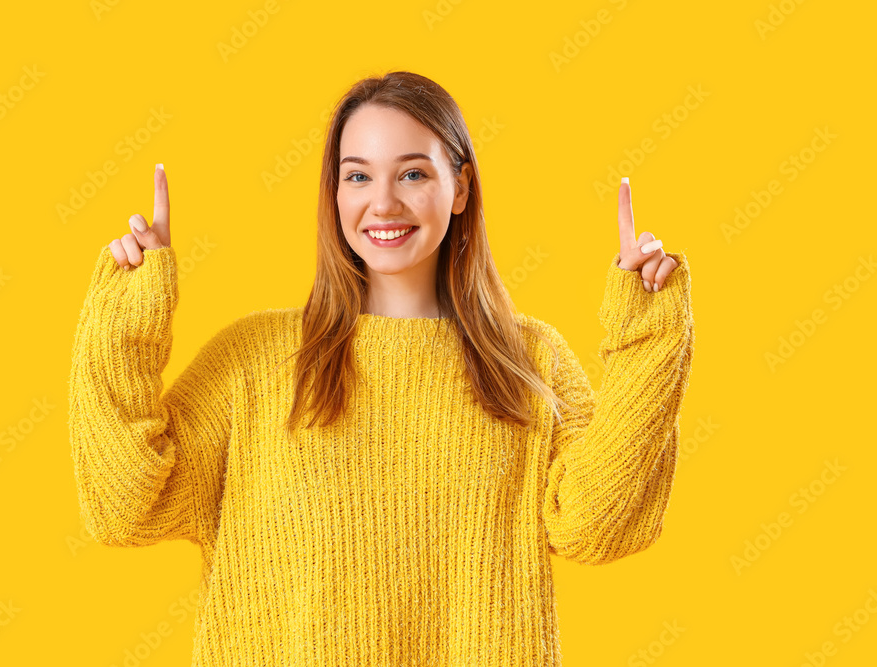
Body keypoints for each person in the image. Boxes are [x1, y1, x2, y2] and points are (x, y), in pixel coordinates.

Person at [68, 71, 694, 666]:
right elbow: (124, 508)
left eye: (413, 173)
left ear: (461, 188)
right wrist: (127, 318)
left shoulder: (529, 360)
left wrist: (649, 339)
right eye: (358, 176)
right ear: (335, 192)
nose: (383, 202)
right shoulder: (252, 361)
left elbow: (603, 526)